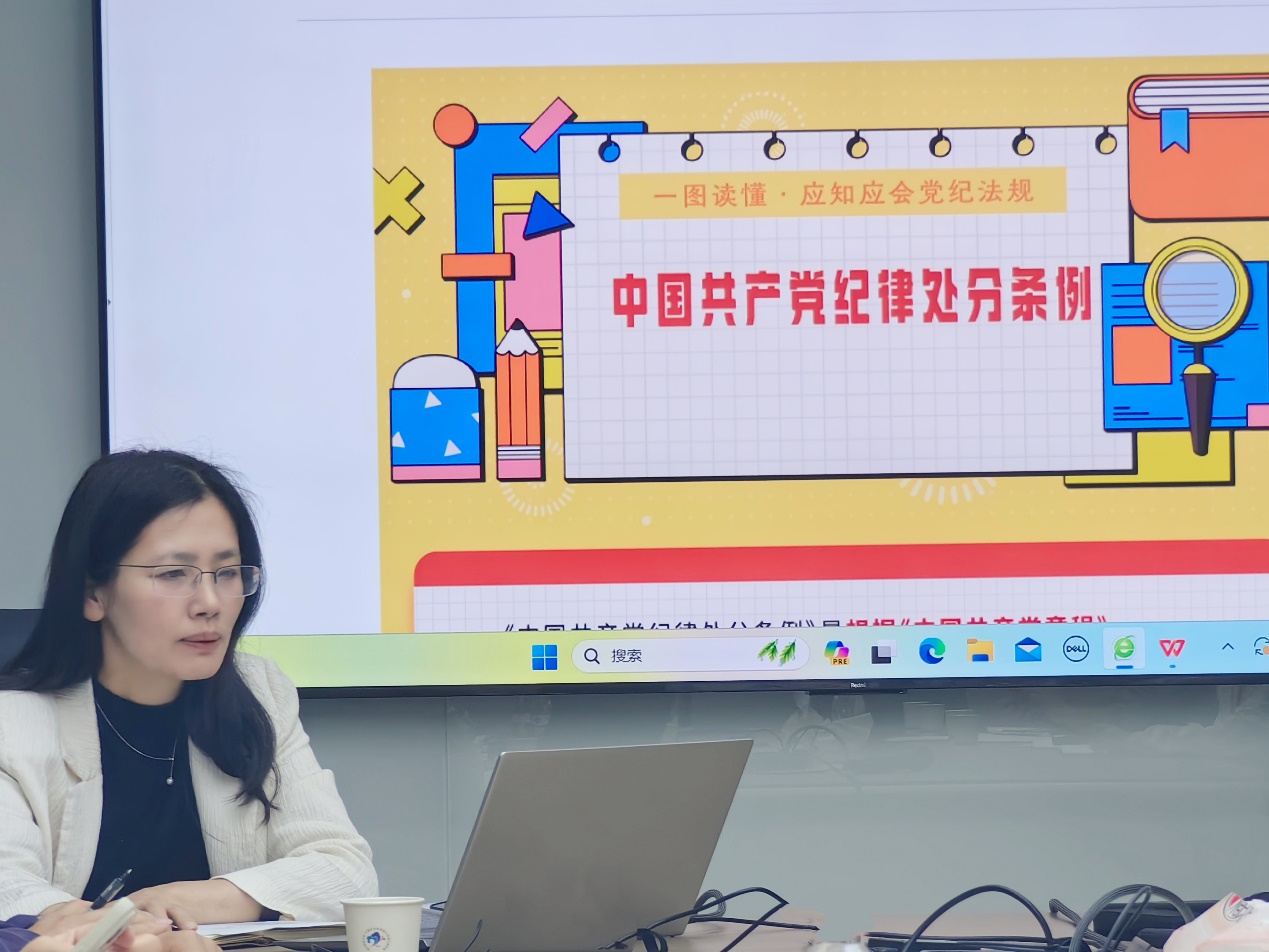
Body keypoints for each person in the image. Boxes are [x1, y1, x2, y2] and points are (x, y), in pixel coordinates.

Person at [0, 450, 378, 928]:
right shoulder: (14, 726)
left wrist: (178, 902)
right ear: (93, 592)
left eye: (227, 572)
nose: (210, 603)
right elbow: (9, 887)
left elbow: (345, 872)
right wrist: (119, 929)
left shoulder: (261, 692)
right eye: (173, 574)